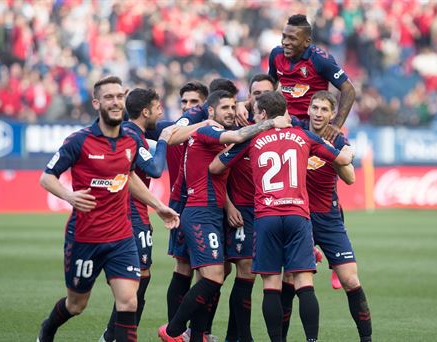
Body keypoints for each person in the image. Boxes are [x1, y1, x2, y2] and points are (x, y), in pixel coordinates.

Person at [36, 76, 180, 342]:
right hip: (85, 236)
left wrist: (158, 206)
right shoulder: (78, 141)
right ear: (96, 103)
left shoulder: (130, 140)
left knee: (128, 302)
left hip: (121, 236)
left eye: (118, 96)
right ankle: (48, 327)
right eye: (108, 97)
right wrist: (70, 196)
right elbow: (47, 177)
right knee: (76, 305)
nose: (115, 102)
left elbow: (128, 176)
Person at [208, 92, 354, 342]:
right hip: (298, 215)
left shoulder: (252, 138)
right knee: (304, 283)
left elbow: (215, 167)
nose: (254, 117)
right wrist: (348, 148)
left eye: (256, 114)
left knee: (271, 285)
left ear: (263, 115)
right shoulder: (303, 135)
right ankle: (312, 340)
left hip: (266, 217)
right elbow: (342, 159)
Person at [158, 90, 292, 342]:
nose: (230, 111)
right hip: (199, 213)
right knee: (213, 277)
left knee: (208, 278)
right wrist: (272, 122)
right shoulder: (208, 130)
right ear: (210, 112)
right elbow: (238, 134)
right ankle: (173, 330)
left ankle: (197, 336)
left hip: (212, 213)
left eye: (233, 106)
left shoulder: (217, 137)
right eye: (225, 108)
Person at [283, 91, 372, 342]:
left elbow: (351, 178)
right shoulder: (297, 130)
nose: (319, 113)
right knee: (289, 280)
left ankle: (367, 339)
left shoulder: (337, 139)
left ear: (333, 115)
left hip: (329, 218)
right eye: (315, 108)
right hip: (299, 218)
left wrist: (336, 154)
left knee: (351, 280)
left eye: (324, 110)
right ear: (308, 110)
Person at [99, 88, 177, 342]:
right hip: (130, 214)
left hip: (132, 213)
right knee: (136, 282)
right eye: (157, 108)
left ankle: (116, 336)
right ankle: (114, 336)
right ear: (145, 112)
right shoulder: (133, 135)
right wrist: (163, 141)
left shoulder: (131, 132)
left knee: (139, 280)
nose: (161, 111)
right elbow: (154, 168)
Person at [223, 74, 277, 342]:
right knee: (244, 271)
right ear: (249, 96)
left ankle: (234, 337)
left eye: (266, 93)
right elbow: (214, 169)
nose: (260, 97)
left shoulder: (284, 127)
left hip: (272, 212)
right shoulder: (239, 127)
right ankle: (243, 337)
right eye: (256, 93)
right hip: (243, 210)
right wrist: (229, 204)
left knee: (274, 278)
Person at [269, 14, 356, 141]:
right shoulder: (276, 54)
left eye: (292, 38)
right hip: (286, 123)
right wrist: (248, 104)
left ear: (307, 42)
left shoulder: (320, 59)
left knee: (344, 155)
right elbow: (269, 86)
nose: (285, 42)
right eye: (284, 37)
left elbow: (349, 89)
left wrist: (336, 125)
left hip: (313, 126)